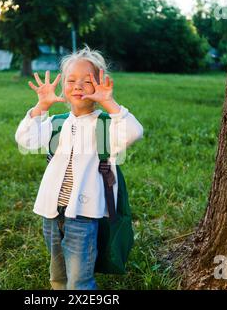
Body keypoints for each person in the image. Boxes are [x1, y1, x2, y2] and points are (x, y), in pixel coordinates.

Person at [15, 45, 143, 290]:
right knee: (58, 277)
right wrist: (41, 107)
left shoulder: (105, 125)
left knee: (79, 281)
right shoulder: (56, 123)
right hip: (51, 213)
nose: (78, 86)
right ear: (63, 86)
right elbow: (25, 139)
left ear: (100, 85)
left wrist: (110, 103)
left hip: (83, 215)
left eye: (87, 80)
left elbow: (134, 132)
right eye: (71, 80)